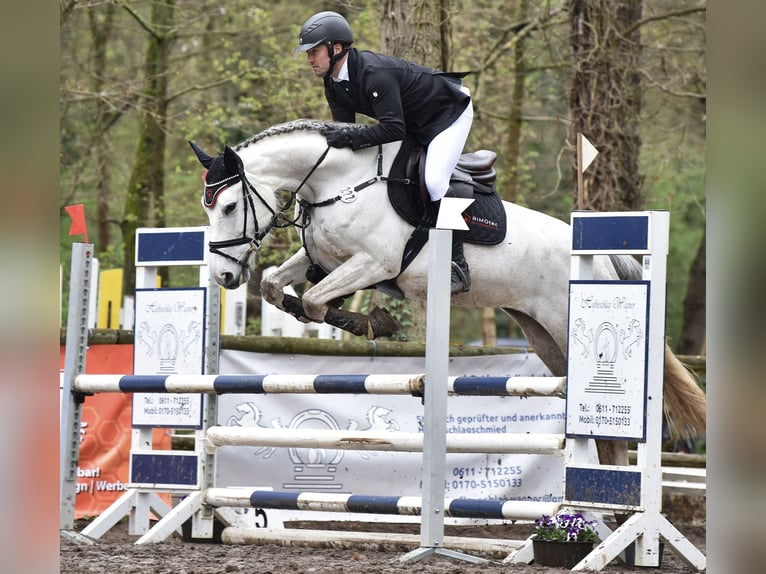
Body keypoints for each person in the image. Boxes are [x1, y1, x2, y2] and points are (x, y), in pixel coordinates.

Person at [296, 10, 475, 294]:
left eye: (314, 51)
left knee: (435, 181)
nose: (309, 59)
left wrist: (346, 137)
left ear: (336, 48)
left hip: (447, 115)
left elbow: (393, 130)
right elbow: (348, 132)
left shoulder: (373, 74)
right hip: (413, 120)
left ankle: (457, 264)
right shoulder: (333, 81)